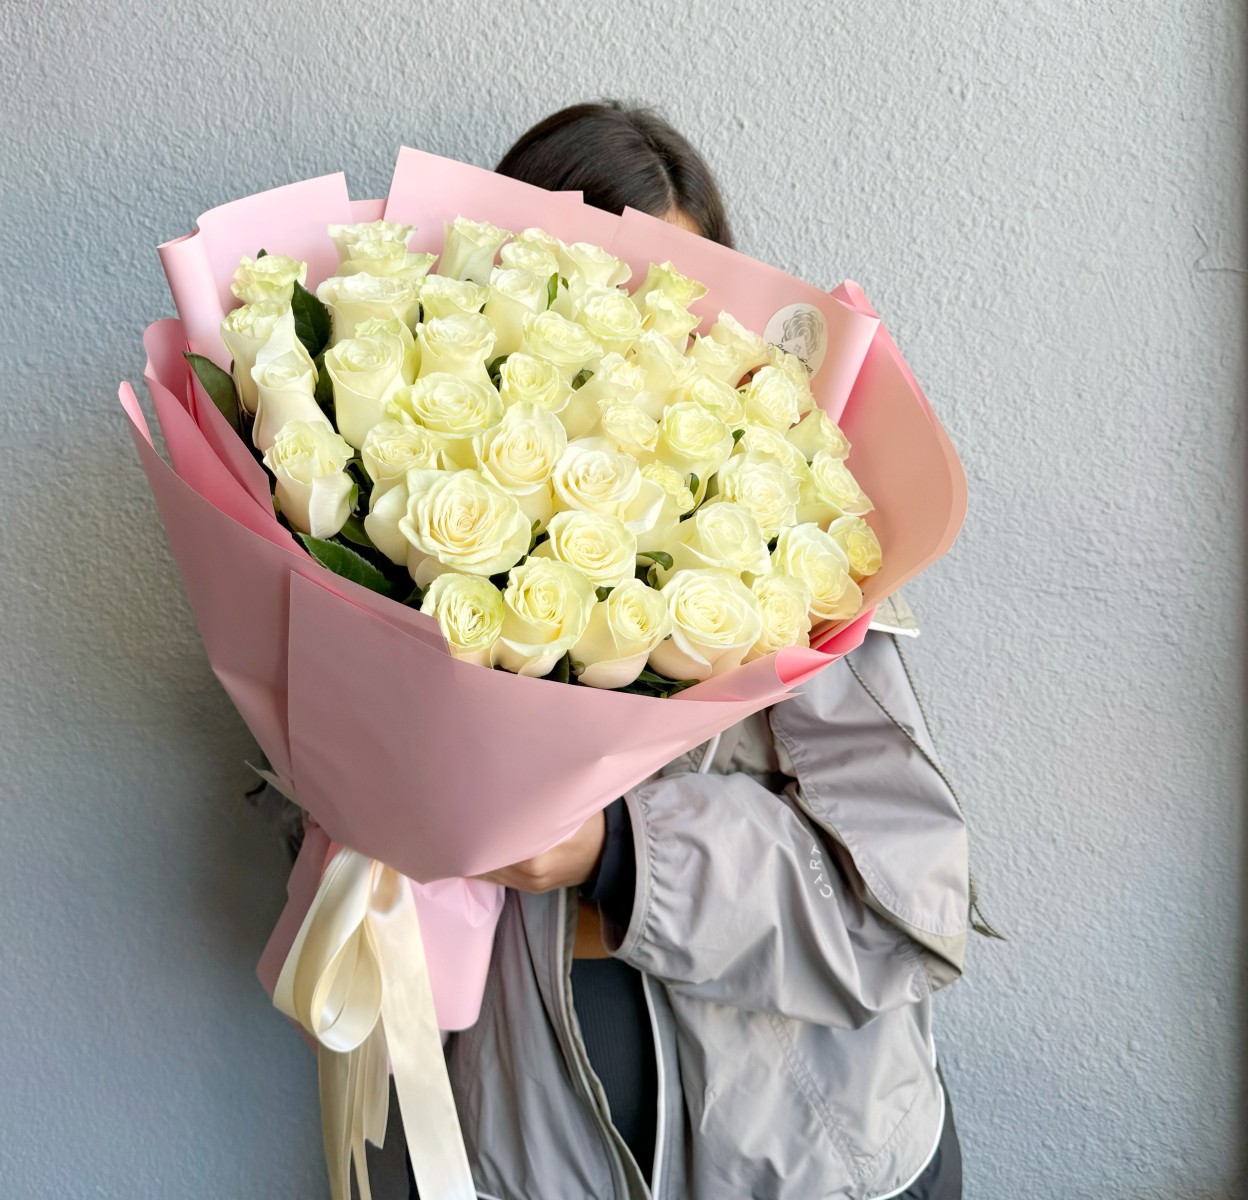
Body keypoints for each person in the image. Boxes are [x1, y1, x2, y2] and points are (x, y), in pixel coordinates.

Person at [393, 102, 988, 1200]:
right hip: (531, 1156)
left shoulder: (799, 557)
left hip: (818, 1168)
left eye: (673, 305)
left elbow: (907, 903)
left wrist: (617, 850)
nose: (633, 352)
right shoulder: (419, 531)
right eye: (590, 299)